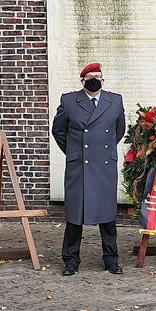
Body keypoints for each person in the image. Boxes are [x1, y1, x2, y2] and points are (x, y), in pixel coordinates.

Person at [52, 62, 126, 276]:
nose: (95, 80)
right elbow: (58, 131)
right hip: (79, 167)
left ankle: (111, 259)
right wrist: (76, 152)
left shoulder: (115, 100)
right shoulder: (69, 101)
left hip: (104, 166)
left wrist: (101, 152)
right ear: (82, 80)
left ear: (103, 80)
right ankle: (71, 260)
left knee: (107, 215)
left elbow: (118, 130)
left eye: (98, 77)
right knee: (75, 216)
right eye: (90, 77)